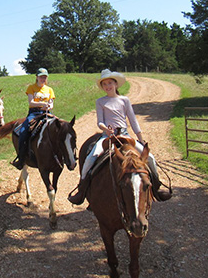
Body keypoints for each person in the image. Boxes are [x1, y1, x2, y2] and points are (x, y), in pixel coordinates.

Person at [68, 69, 171, 205]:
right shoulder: (100, 101)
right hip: (107, 136)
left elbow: (133, 120)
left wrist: (140, 137)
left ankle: (156, 187)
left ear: (116, 84)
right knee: (90, 158)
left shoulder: (124, 100)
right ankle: (82, 189)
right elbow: (100, 121)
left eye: (110, 83)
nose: (108, 86)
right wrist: (106, 129)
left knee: (150, 157)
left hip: (124, 134)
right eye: (105, 84)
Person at [11, 67, 55, 169]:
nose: (43, 79)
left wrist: (49, 106)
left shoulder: (49, 90)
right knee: (23, 131)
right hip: (34, 113)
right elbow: (31, 102)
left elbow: (51, 103)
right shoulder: (31, 88)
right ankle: (21, 159)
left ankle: (63, 155)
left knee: (60, 128)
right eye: (41, 77)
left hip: (47, 113)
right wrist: (42, 103)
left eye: (44, 77)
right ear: (37, 77)